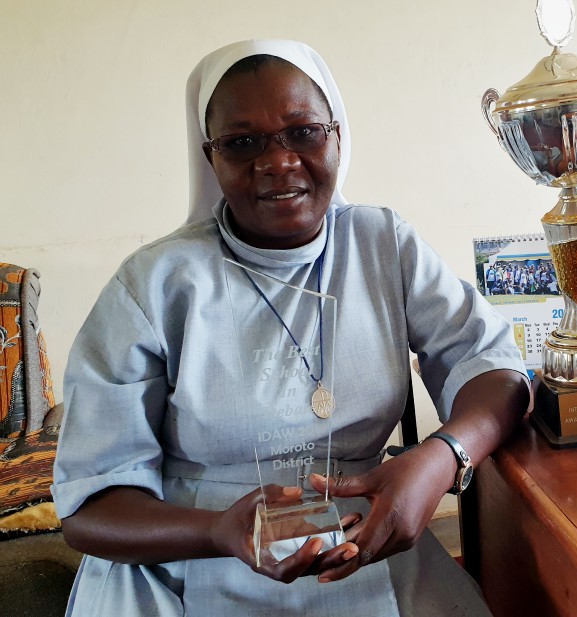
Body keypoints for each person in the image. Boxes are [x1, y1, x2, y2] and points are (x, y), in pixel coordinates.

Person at [51, 39, 529, 616]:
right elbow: (89, 508)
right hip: (182, 565)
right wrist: (216, 533)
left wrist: (440, 457)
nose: (277, 161)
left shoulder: (383, 244)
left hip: (368, 544)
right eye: (242, 142)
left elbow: (495, 370)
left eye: (303, 132)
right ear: (211, 158)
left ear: (337, 135)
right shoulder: (155, 284)